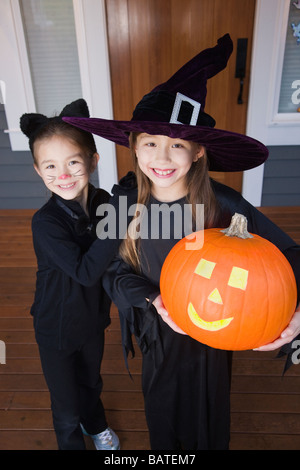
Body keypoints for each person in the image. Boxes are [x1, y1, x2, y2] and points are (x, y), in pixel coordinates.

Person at [64, 36, 300, 450]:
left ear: (198, 153)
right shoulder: (123, 205)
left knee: (208, 415)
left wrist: (297, 310)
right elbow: (112, 273)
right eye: (151, 143)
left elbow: (290, 254)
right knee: (164, 411)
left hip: (216, 331)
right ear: (134, 149)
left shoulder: (223, 205)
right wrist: (152, 299)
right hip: (157, 328)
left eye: (177, 145)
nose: (163, 157)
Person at [20, 99, 137, 450]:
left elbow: (128, 236)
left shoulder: (104, 200)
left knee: (90, 383)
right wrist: (120, 214)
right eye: (51, 166)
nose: (64, 174)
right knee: (66, 406)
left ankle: (97, 424)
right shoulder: (45, 222)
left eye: (73, 161)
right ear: (39, 171)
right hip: (56, 327)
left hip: (93, 319)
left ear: (92, 160)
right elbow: (86, 271)